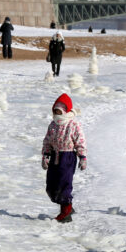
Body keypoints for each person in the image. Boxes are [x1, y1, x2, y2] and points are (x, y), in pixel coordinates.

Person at [41, 93, 86, 223]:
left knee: (64, 184)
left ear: (66, 111)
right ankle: (66, 207)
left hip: (67, 157)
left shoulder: (73, 125)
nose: (57, 113)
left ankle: (66, 211)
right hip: (55, 156)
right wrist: (46, 155)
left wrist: (82, 156)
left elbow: (80, 141)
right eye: (55, 111)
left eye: (60, 111)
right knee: (52, 186)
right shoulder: (53, 125)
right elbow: (47, 141)